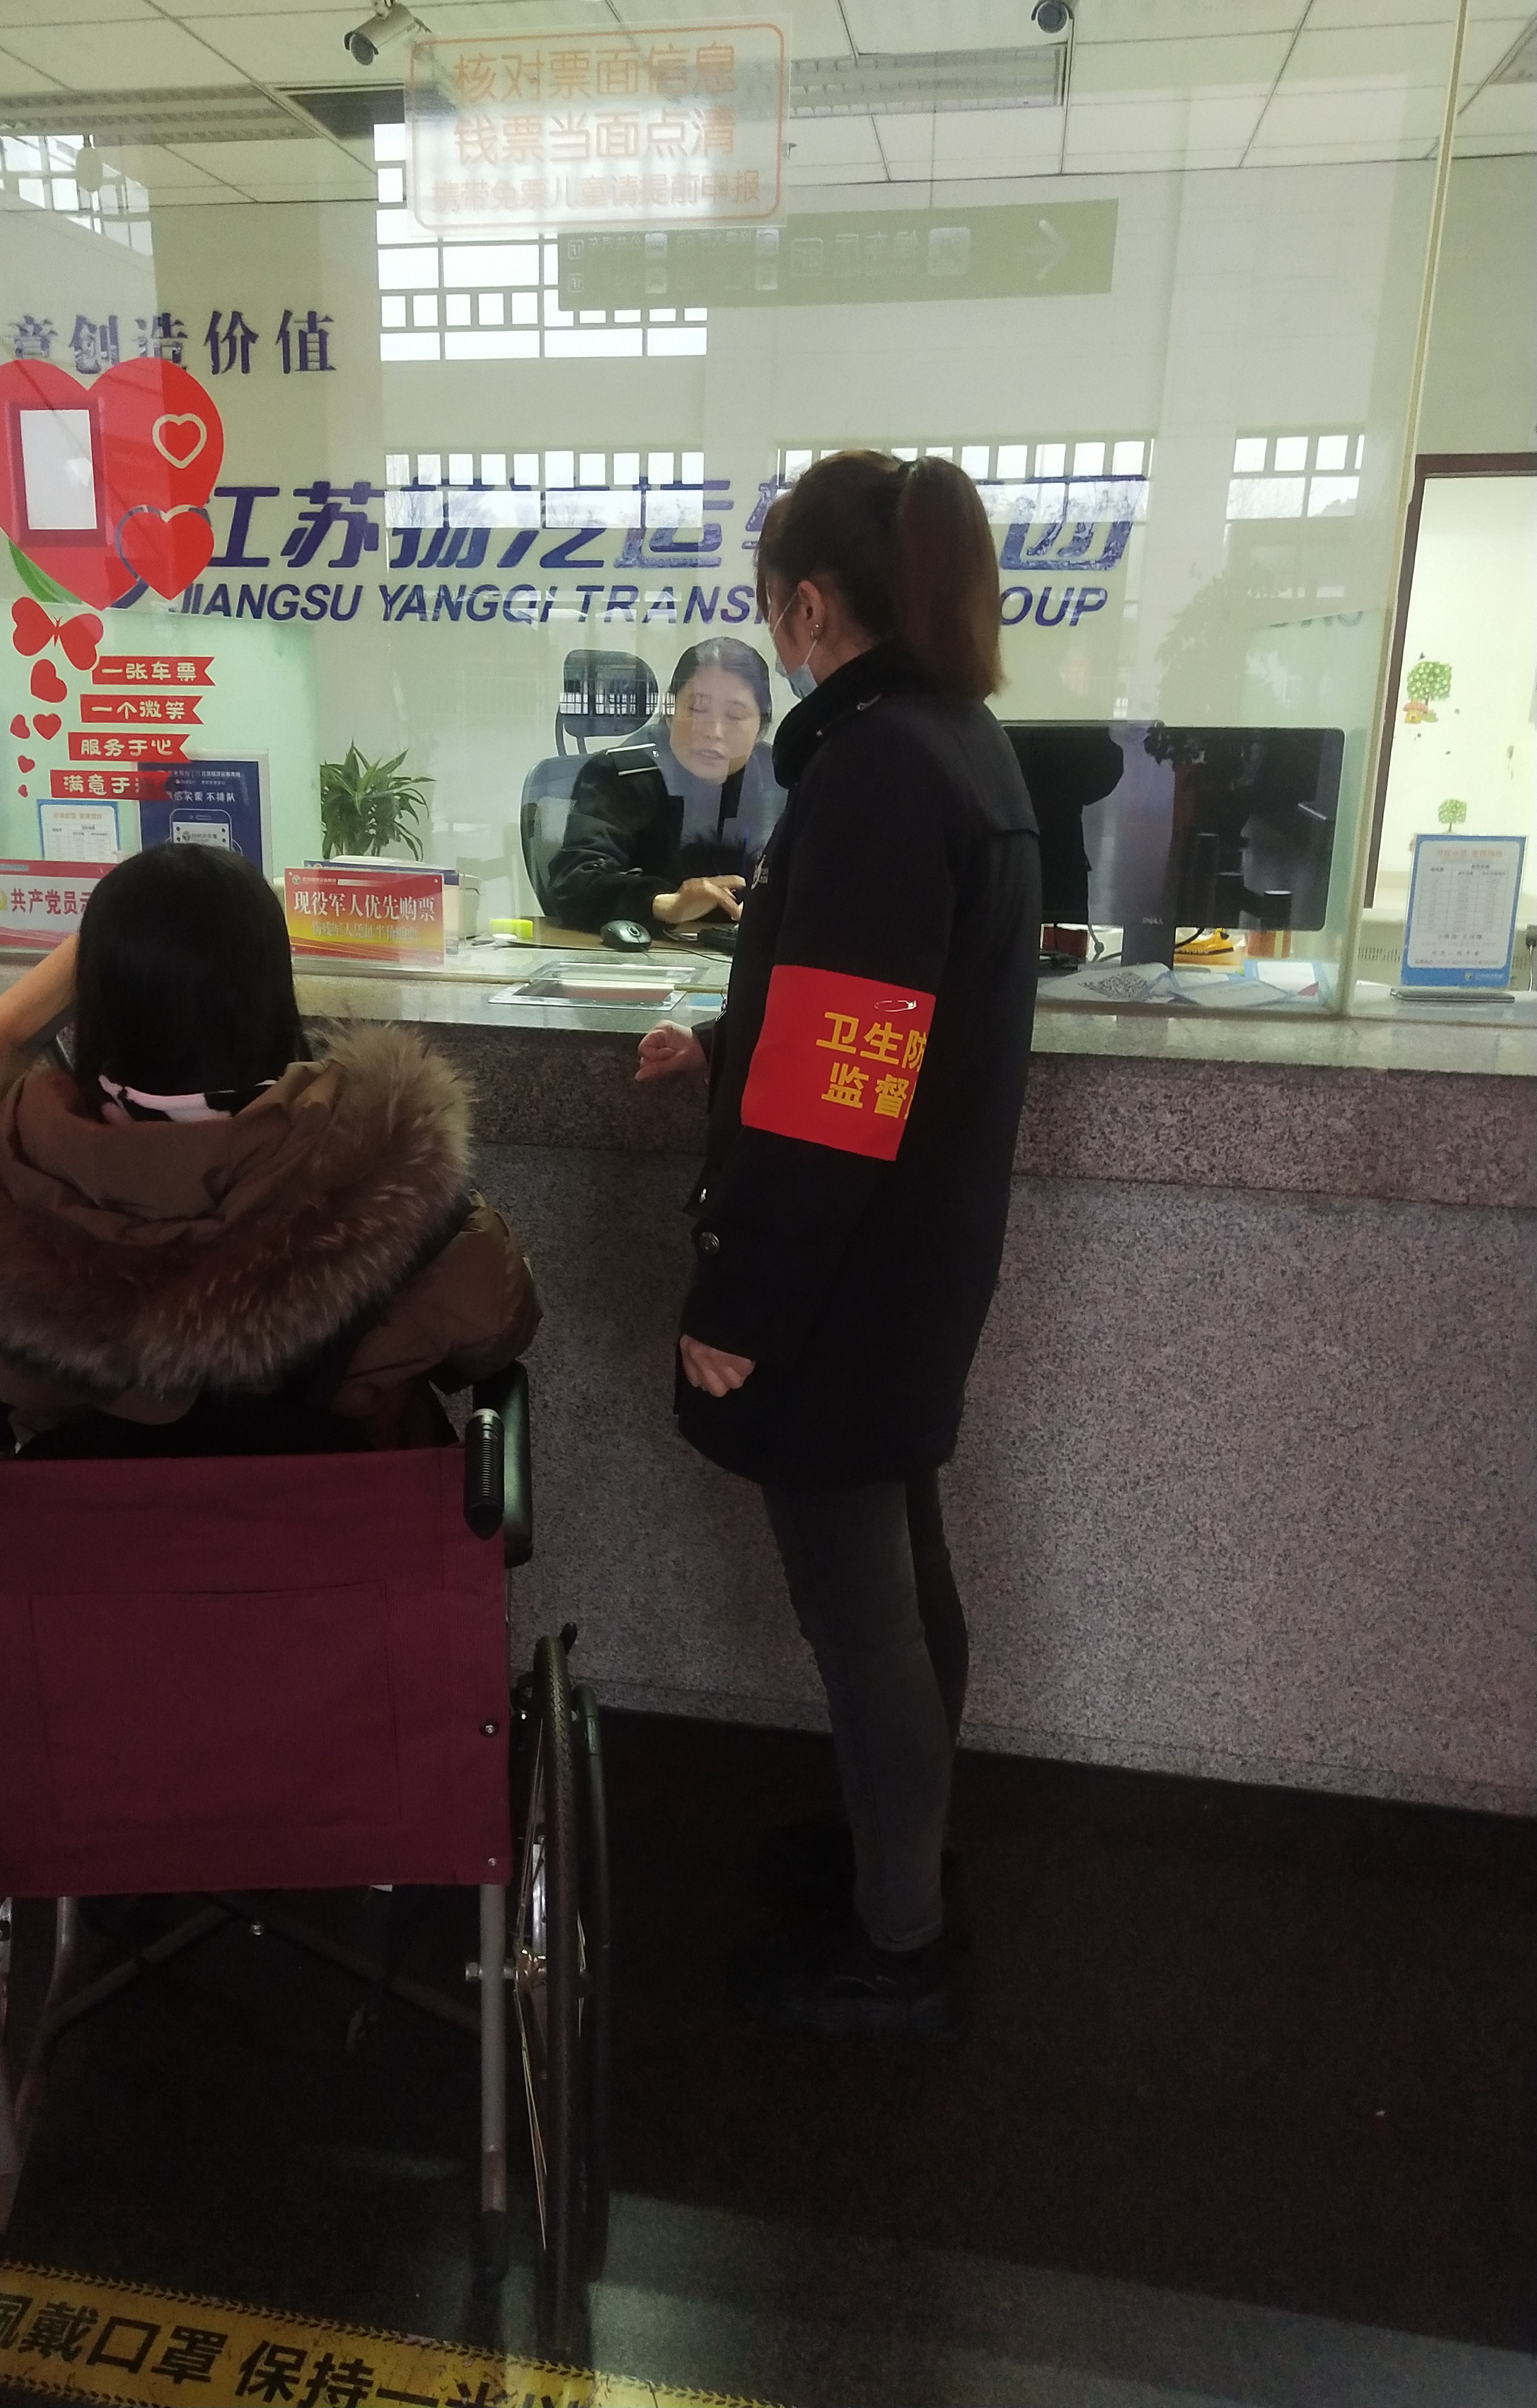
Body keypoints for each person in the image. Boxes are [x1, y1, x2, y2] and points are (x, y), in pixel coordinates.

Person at [638, 451, 1040, 2036]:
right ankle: (903, 1853)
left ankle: (897, 1946)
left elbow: (839, 1089)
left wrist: (740, 1298)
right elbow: (874, 1030)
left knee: (861, 1615)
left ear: (809, 606)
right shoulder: (957, 743)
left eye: (772, 609)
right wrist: (724, 1052)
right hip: (911, 1255)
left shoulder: (875, 769)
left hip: (844, 1274)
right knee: (904, 1573)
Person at [0, 843, 540, 1456]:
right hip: (346, 1526)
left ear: (92, 1000)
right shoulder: (390, 1167)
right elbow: (498, 1330)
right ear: (272, 987)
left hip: (87, 1529)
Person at [544, 637, 778, 934]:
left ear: (761, 727)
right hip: (645, 951)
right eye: (697, 709)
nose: (714, 731)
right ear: (670, 709)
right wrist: (664, 904)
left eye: (734, 715)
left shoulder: (782, 781)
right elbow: (573, 883)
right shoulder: (624, 774)